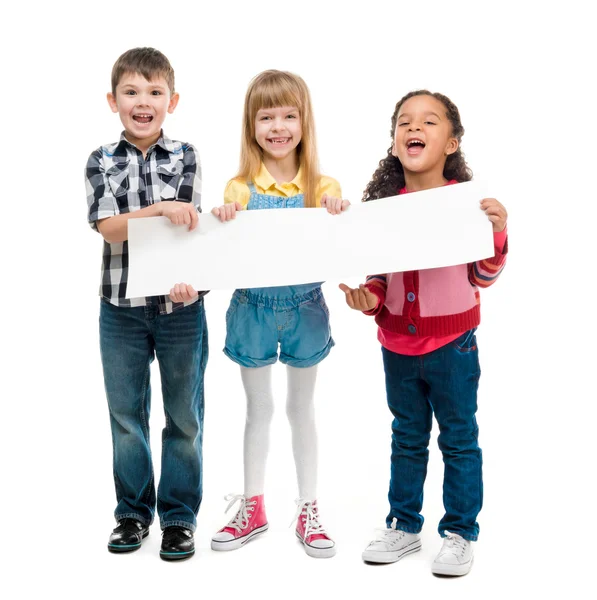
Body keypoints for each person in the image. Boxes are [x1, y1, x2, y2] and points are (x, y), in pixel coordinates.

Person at [170, 69, 348, 558]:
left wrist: (336, 210)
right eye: (266, 116)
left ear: (304, 122)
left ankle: (309, 508)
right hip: (252, 308)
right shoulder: (240, 188)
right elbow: (226, 251)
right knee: (259, 409)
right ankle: (254, 506)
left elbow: (339, 243)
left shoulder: (322, 185)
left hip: (305, 307)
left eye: (289, 115)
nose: (278, 126)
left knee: (300, 408)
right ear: (251, 125)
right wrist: (228, 219)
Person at [340, 90, 508, 576]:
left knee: (458, 439)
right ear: (394, 143)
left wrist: (496, 233)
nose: (415, 128)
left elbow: (483, 276)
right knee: (407, 438)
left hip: (454, 345)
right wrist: (370, 297)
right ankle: (404, 525)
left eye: (429, 122)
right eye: (404, 123)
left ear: (451, 142)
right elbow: (380, 276)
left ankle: (459, 533)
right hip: (396, 346)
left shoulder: (466, 205)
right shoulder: (380, 209)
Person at [85, 47, 207, 561]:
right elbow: (109, 229)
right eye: (132, 92)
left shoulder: (186, 155)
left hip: (181, 308)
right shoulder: (101, 160)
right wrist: (159, 209)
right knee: (126, 414)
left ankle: (178, 519)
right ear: (113, 101)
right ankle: (133, 514)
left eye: (154, 92)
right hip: (121, 307)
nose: (143, 101)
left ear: (171, 101)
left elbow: (192, 226)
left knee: (184, 416)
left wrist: (191, 279)